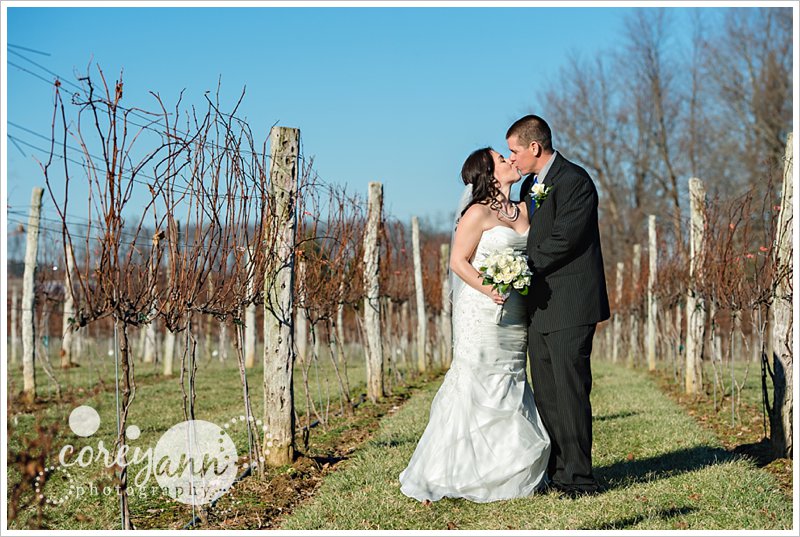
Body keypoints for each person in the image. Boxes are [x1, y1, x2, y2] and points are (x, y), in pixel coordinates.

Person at [398, 147, 551, 503]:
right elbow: (458, 261)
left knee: (511, 377)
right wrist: (491, 288)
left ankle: (507, 470)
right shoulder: (477, 213)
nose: (510, 160)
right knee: (479, 378)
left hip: (515, 312)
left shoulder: (526, 208)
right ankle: (448, 472)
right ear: (488, 173)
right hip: (482, 310)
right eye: (501, 159)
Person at [506, 114, 610, 497]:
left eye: (514, 150)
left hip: (571, 304)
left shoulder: (575, 182)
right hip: (539, 307)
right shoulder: (531, 185)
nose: (511, 158)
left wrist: (520, 267)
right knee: (547, 392)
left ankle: (580, 478)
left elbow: (566, 238)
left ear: (534, 147)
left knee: (570, 390)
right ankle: (558, 471)